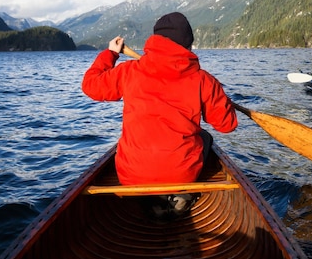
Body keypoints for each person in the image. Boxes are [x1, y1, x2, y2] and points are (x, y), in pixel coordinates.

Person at [82, 12, 237, 216]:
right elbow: (227, 125)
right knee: (205, 137)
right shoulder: (203, 80)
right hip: (182, 175)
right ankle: (180, 194)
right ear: (188, 46)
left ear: (154, 41)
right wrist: (221, 100)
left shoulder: (129, 71)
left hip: (131, 176)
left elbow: (90, 86)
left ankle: (148, 199)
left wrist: (110, 54)